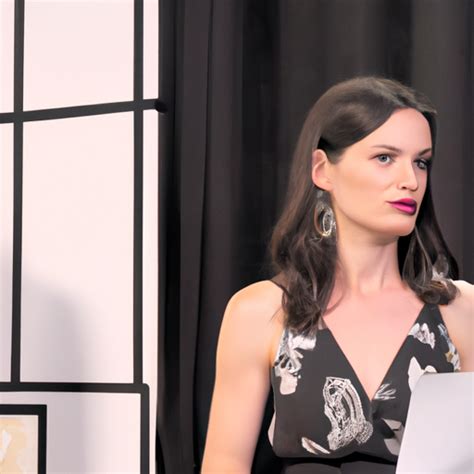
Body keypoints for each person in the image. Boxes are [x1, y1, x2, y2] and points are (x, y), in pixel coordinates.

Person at [200, 76, 473, 473]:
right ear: (322, 169)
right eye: (385, 158)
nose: (411, 181)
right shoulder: (260, 312)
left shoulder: (460, 311)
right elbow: (225, 464)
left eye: (421, 162)